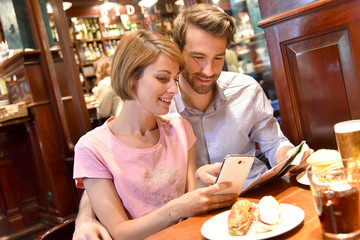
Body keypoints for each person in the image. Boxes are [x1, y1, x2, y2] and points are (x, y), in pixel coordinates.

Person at [73, 4, 313, 239]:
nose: (208, 70)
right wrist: (84, 216)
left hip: (251, 199)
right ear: (177, 52)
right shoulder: (157, 107)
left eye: (218, 58)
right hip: (191, 221)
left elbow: (275, 144)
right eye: (198, 57)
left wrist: (290, 156)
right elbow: (111, 165)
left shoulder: (240, 92)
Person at [73, 30, 237, 240]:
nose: (174, 90)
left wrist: (200, 182)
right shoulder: (92, 148)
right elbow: (120, 233)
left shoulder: (180, 128)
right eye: (162, 78)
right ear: (132, 78)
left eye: (175, 79)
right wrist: (176, 209)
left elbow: (189, 202)